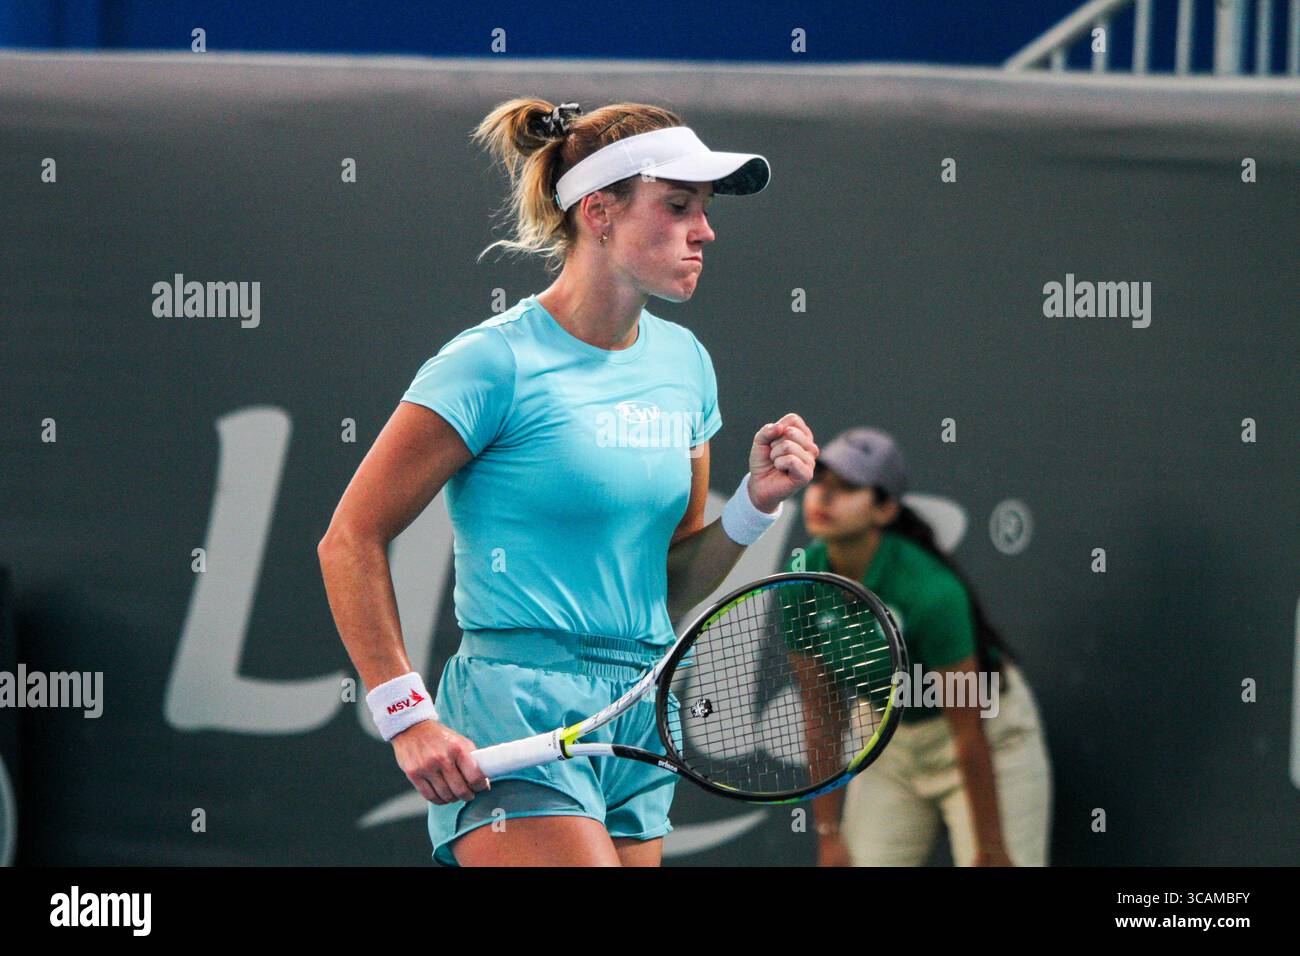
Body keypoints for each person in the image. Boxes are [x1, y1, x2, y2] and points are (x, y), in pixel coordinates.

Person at [317, 99, 818, 866]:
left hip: (640, 714)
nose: (704, 230)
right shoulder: (491, 363)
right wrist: (405, 715)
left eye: (705, 209)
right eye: (678, 205)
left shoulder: (686, 366)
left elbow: (668, 586)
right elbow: (350, 539)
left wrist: (753, 506)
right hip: (516, 707)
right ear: (599, 213)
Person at [786, 427, 1052, 867]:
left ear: (885, 509)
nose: (824, 497)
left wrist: (991, 847)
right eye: (821, 482)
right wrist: (829, 835)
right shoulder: (803, 582)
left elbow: (968, 732)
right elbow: (822, 715)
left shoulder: (931, 592)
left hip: (986, 740)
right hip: (889, 743)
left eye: (848, 487)